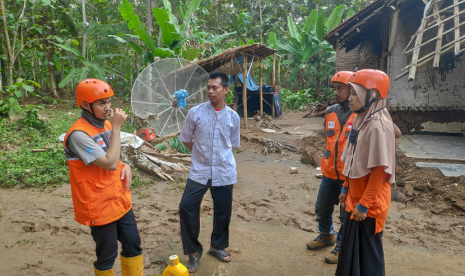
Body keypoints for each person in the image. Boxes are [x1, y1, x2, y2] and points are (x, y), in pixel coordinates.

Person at [63, 79, 143, 276]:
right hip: (98, 205)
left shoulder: (105, 124)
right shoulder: (78, 135)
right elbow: (109, 163)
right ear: (84, 105)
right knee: (107, 255)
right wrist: (116, 128)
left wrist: (126, 165)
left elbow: (114, 156)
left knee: (133, 244)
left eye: (109, 102)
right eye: (101, 103)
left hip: (119, 198)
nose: (108, 108)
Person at [178, 72, 240, 273]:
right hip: (199, 170)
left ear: (226, 90)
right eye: (208, 87)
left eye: (215, 87)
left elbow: (232, 144)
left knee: (223, 211)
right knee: (187, 207)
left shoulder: (233, 117)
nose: (210, 91)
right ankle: (194, 251)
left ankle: (217, 246)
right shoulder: (195, 113)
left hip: (224, 171)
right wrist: (199, 155)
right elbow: (187, 138)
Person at [336, 69, 396, 275]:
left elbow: (380, 171)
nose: (349, 98)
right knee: (354, 252)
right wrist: (345, 186)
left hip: (369, 205)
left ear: (371, 95)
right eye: (350, 93)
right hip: (356, 198)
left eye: (354, 94)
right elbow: (352, 158)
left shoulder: (378, 125)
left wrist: (364, 205)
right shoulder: (361, 119)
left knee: (369, 257)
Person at [307, 71, 356, 264]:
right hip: (329, 172)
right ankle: (327, 235)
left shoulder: (358, 113)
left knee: (346, 215)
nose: (336, 92)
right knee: (322, 207)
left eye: (340, 88)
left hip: (348, 175)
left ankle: (341, 246)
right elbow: (329, 141)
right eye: (334, 88)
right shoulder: (329, 112)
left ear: (351, 89)